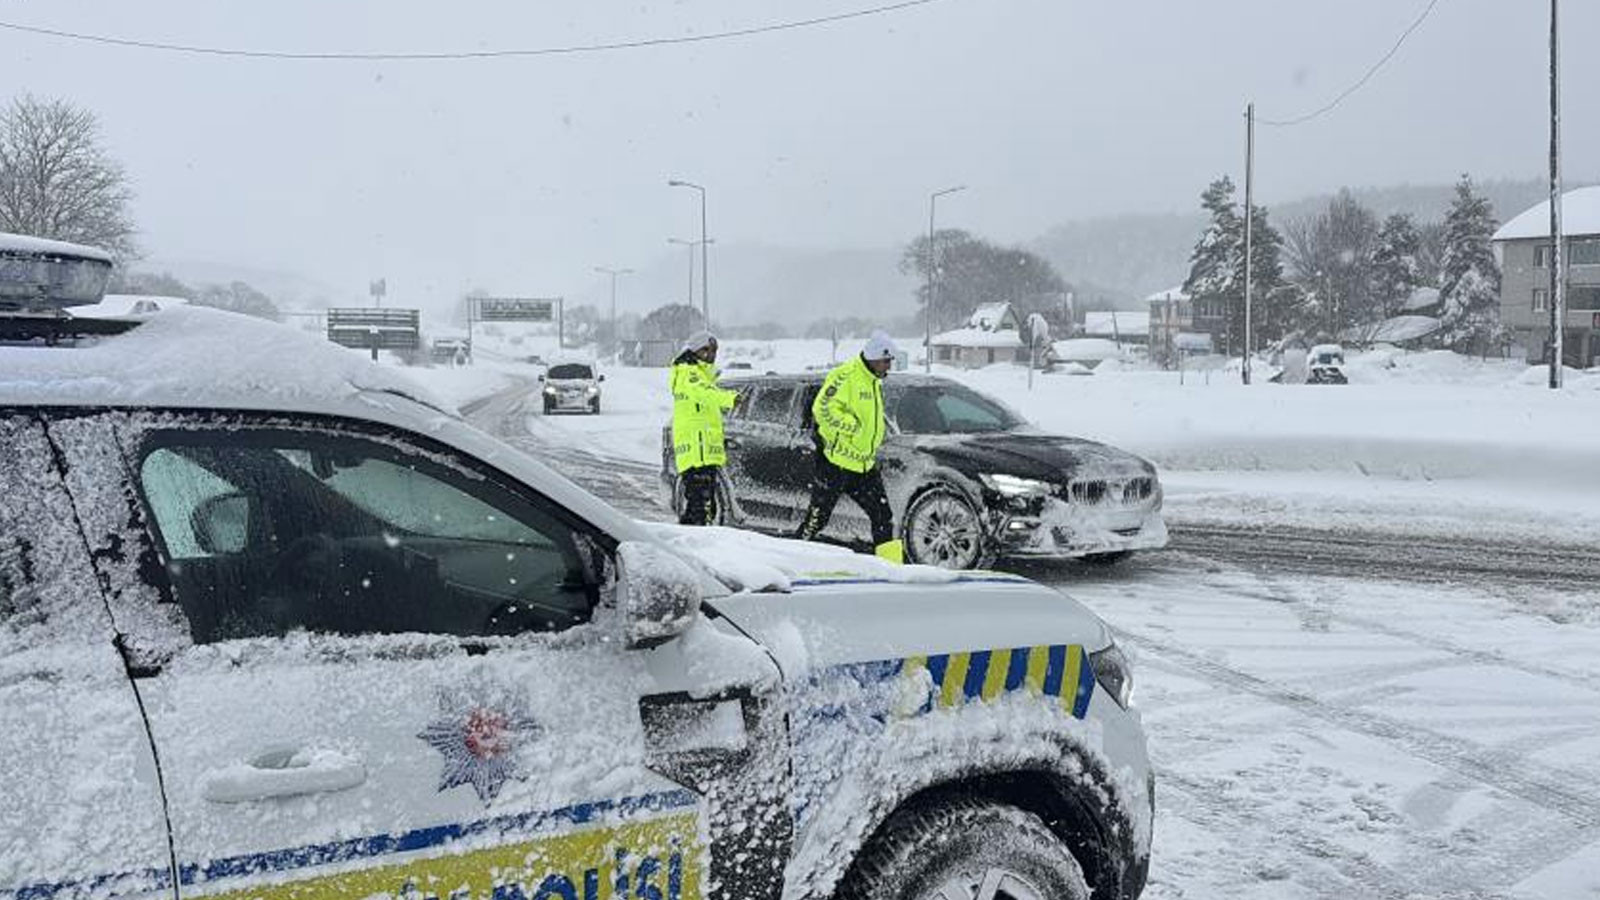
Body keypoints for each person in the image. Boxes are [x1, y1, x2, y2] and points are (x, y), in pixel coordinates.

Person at [796, 331, 903, 562]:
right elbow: (822, 409)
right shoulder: (845, 376)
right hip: (836, 464)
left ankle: (893, 570)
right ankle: (793, 559)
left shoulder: (873, 381)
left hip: (863, 465)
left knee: (883, 516)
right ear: (875, 357)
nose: (889, 366)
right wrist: (851, 427)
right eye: (886, 361)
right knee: (817, 520)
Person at [669, 330, 739, 525]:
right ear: (693, 351)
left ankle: (685, 541)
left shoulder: (702, 375)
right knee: (703, 509)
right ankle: (692, 544)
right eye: (705, 350)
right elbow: (703, 393)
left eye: (714, 350)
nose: (710, 354)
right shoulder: (688, 373)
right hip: (696, 451)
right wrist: (730, 398)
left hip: (704, 452)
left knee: (701, 509)